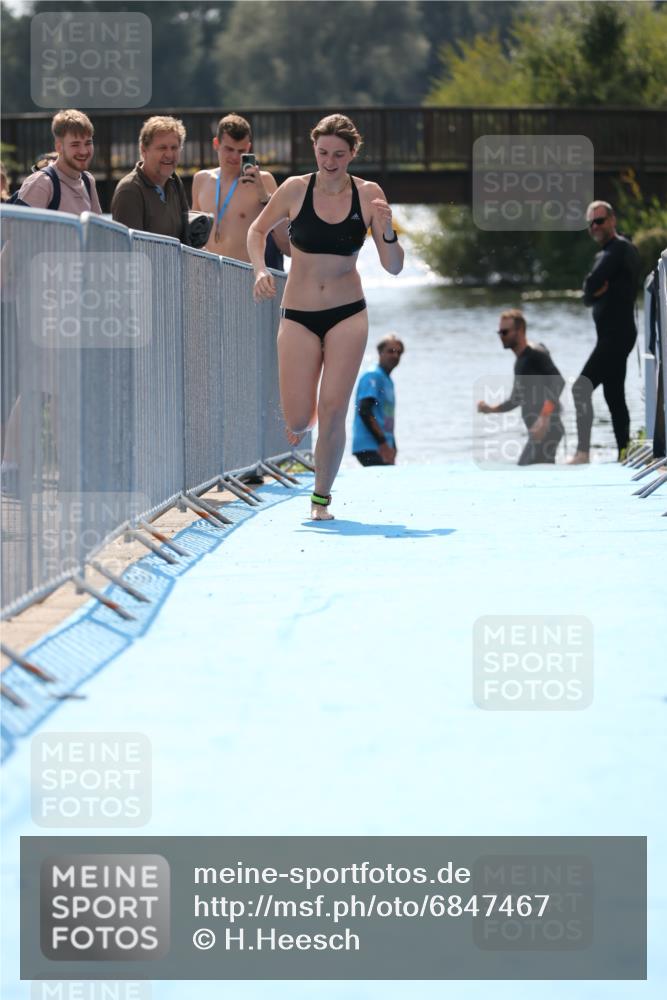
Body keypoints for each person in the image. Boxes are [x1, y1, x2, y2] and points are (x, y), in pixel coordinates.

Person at [248, 113, 404, 520]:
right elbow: (257, 231)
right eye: (323, 153)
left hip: (347, 314)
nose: (330, 161)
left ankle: (320, 500)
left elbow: (393, 267)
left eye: (338, 154)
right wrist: (261, 270)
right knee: (300, 419)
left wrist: (386, 231)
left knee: (334, 410)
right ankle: (307, 413)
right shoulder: (294, 189)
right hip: (298, 315)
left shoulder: (368, 194)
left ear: (352, 153)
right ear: (314, 150)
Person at [568, 200, 640, 463]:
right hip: (613, 336)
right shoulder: (606, 253)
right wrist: (593, 292)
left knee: (581, 388)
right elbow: (588, 295)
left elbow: (591, 285)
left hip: (616, 335)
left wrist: (593, 290)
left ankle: (582, 453)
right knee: (614, 395)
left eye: (599, 220)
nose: (595, 226)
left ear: (612, 220)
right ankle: (624, 453)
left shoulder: (620, 248)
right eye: (591, 223)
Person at [192, 113, 288, 268]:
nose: (235, 156)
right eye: (229, 149)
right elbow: (193, 236)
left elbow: (286, 243)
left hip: (246, 275)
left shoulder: (264, 180)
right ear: (216, 144)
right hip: (209, 274)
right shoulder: (201, 179)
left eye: (241, 151)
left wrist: (264, 196)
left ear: (248, 148)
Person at [477, 309, 565, 465]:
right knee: (529, 470)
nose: (501, 336)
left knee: (527, 469)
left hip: (548, 429)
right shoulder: (521, 361)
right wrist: (490, 409)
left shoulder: (536, 353)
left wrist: (543, 418)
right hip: (538, 433)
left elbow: (558, 381)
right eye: (499, 332)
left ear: (520, 331)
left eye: (505, 332)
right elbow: (516, 399)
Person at [111, 115, 189, 240]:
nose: (169, 154)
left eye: (174, 148)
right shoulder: (130, 190)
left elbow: (187, 236)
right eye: (162, 148)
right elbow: (129, 247)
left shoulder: (175, 182)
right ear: (143, 150)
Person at [11, 109, 102, 213]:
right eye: (75, 145)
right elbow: (18, 223)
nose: (83, 151)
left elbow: (96, 223)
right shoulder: (42, 183)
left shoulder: (88, 181)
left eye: (88, 143)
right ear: (59, 147)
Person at [352, 335, 404, 466]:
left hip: (383, 445)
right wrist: (383, 443)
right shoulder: (373, 375)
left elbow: (386, 416)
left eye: (399, 352)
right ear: (380, 352)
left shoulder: (387, 379)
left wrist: (393, 446)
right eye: (391, 351)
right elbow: (364, 410)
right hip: (370, 446)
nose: (396, 355)